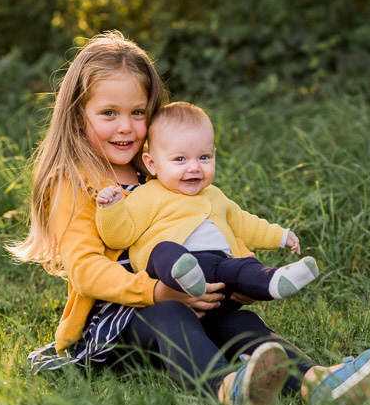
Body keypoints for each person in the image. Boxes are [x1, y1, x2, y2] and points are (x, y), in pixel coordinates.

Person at [8, 30, 370, 405]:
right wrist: (157, 292)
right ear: (80, 116)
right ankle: (225, 388)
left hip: (185, 293)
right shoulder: (76, 182)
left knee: (236, 320)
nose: (126, 127)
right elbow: (84, 271)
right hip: (119, 323)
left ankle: (317, 382)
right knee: (173, 317)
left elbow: (208, 223)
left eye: (137, 112)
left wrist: (236, 278)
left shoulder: (154, 169)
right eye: (108, 113)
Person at [94, 101, 319, 311]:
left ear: (213, 156)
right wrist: (112, 207)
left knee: (241, 267)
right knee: (164, 250)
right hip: (171, 279)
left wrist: (280, 236)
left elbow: (245, 224)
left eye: (203, 157)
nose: (194, 168)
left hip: (219, 272)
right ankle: (187, 274)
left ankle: (272, 280)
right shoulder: (147, 195)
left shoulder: (215, 196)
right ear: (152, 164)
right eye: (180, 159)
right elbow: (119, 237)